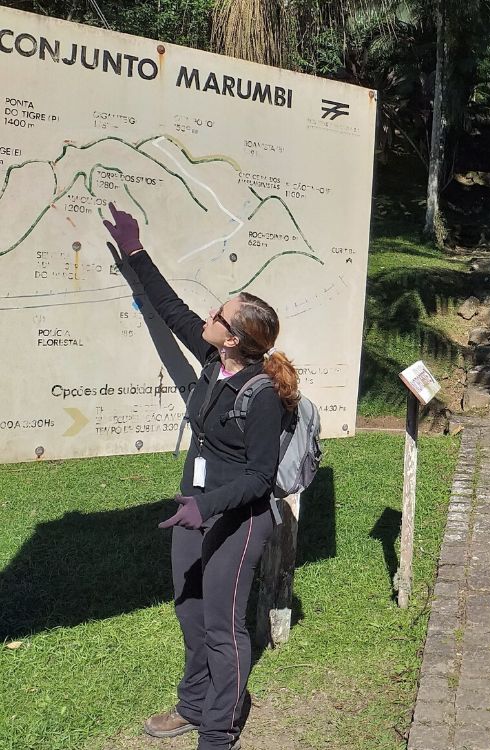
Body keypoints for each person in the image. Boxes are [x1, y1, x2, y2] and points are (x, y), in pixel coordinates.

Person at [103, 203, 299, 750]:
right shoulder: (214, 361)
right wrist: (135, 250)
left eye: (219, 314)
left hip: (237, 520)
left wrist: (204, 506)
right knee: (191, 612)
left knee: (223, 627)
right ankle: (193, 704)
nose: (209, 315)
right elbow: (171, 310)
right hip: (194, 509)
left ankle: (218, 730)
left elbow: (260, 477)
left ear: (233, 337)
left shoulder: (261, 395)